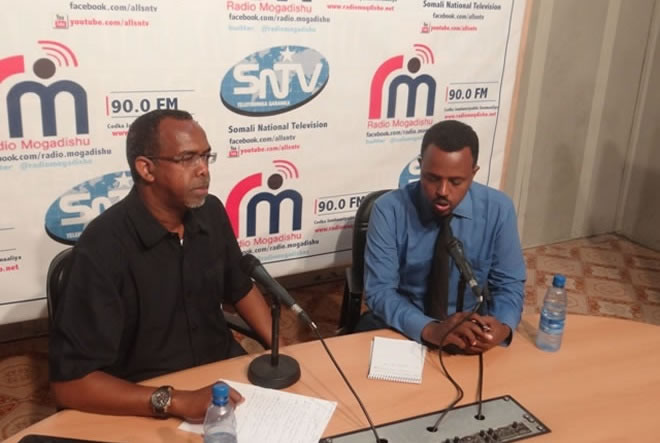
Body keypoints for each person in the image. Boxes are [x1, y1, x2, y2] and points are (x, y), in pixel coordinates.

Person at [49, 109, 274, 421]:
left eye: (206, 156)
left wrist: (282, 348)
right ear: (146, 168)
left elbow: (241, 288)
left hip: (222, 377)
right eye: (188, 158)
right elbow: (70, 385)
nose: (203, 170)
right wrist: (176, 401)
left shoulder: (211, 212)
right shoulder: (102, 247)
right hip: (145, 397)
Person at [360, 120, 525, 354]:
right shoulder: (389, 210)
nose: (443, 191)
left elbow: (509, 284)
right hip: (404, 327)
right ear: (420, 167)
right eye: (432, 178)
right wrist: (431, 329)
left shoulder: (498, 210)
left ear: (473, 173)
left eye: (456, 182)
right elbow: (380, 292)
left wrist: (502, 326)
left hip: (471, 332)